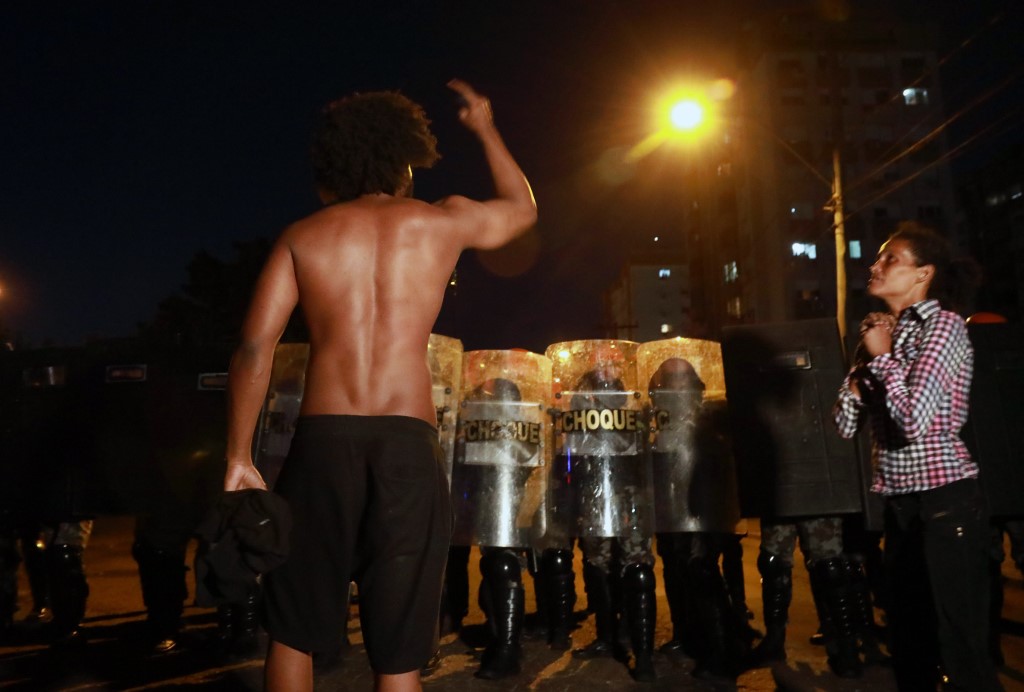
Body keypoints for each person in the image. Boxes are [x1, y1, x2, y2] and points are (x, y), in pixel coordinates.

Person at [222, 80, 536, 692]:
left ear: (332, 168)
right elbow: (522, 210)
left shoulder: (302, 236)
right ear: (405, 161)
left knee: (294, 628)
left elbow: (253, 349)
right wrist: (485, 126)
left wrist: (238, 457)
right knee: (397, 653)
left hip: (322, 445)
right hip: (405, 446)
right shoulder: (440, 222)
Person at [833, 221, 1002, 691]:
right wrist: (862, 370)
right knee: (909, 643)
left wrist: (882, 360)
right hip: (900, 508)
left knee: (960, 643)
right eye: (878, 257)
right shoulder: (882, 333)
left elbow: (913, 421)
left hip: (947, 504)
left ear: (922, 274)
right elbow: (845, 423)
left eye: (890, 259)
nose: (876, 265)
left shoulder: (943, 328)